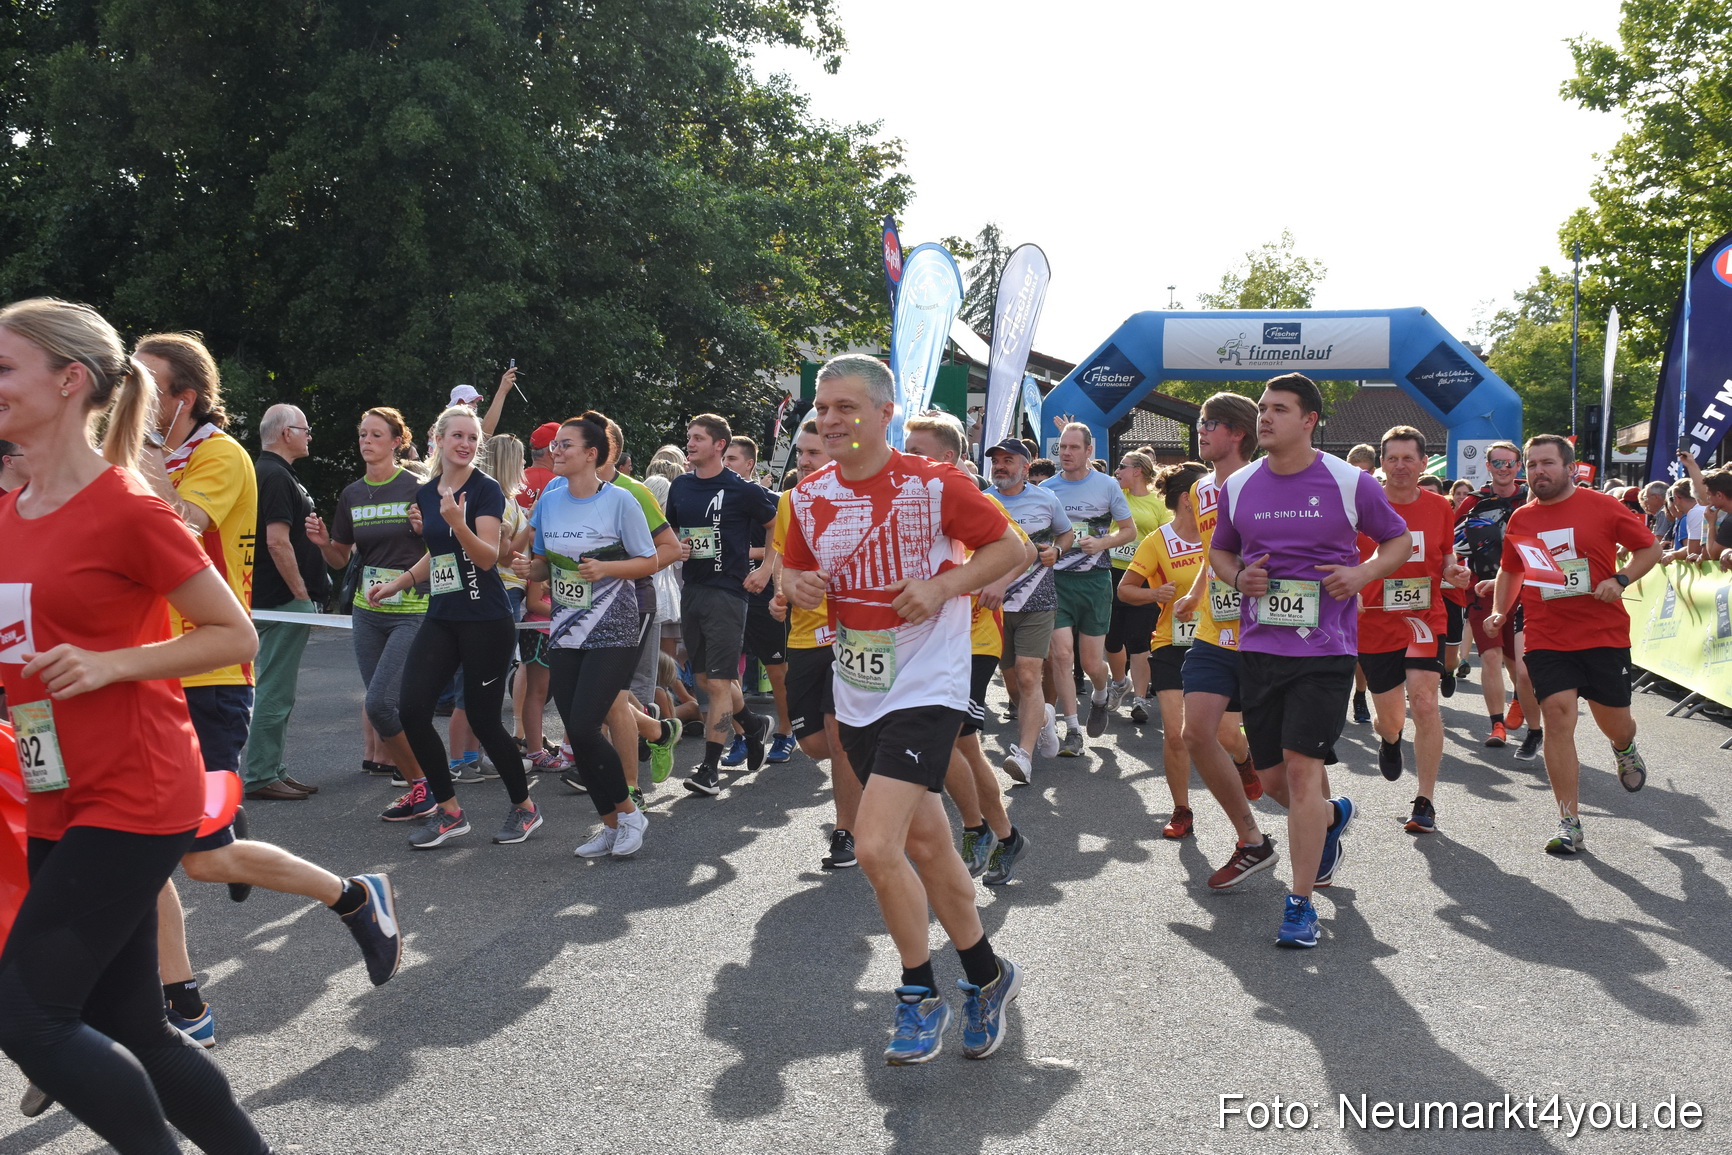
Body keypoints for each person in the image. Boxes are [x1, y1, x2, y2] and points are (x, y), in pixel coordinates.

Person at [0, 297, 283, 1152]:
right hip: (57, 784)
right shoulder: (13, 511)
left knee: (29, 1013)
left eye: (5, 367)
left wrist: (110, 663)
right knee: (132, 1023)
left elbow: (235, 633)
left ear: (69, 380)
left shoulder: (129, 507)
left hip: (135, 787)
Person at [782, 354, 1025, 1065]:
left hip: (928, 685)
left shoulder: (932, 483)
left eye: (846, 408)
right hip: (858, 689)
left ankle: (919, 993)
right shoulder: (809, 494)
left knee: (873, 844)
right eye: (822, 408)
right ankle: (987, 975)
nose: (830, 420)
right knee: (927, 845)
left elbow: (1010, 547)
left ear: (884, 414)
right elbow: (794, 568)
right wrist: (796, 585)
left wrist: (944, 586)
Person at [1210, 373, 1411, 949]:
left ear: (1308, 420)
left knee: (1301, 773)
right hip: (1259, 649)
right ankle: (1331, 815)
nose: (1265, 417)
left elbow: (1397, 540)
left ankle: (1299, 906)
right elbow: (1221, 550)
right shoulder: (1239, 485)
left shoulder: (1348, 481)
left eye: (1279, 409)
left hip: (1325, 651)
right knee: (1273, 777)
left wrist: (1362, 573)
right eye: (1262, 408)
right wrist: (1237, 577)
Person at [369, 405, 542, 848]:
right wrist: (399, 583)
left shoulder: (485, 490)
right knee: (411, 709)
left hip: (486, 619)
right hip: (443, 617)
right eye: (457, 436)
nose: (465, 444)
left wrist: (457, 523)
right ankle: (449, 811)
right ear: (440, 440)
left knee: (484, 720)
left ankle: (525, 807)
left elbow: (486, 557)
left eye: (472, 438)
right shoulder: (428, 493)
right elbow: (439, 554)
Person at [1482, 435, 1661, 854]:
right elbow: (1511, 570)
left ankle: (1624, 747)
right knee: (1557, 717)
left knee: (1615, 722)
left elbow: (1650, 548)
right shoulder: (1523, 518)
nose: (1538, 471)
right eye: (1532, 465)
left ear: (1569, 468)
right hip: (1547, 634)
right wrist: (1500, 610)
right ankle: (1569, 822)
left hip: (1602, 634)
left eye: (1547, 463)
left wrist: (1620, 579)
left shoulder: (1602, 506)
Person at [513, 415, 659, 856]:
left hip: (614, 628)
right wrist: (530, 568)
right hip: (564, 629)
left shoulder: (621, 501)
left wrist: (607, 568)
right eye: (554, 445)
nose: (555, 451)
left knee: (583, 727)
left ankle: (630, 813)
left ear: (592, 454)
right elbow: (543, 564)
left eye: (565, 445)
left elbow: (650, 560)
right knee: (579, 735)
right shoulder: (550, 501)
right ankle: (611, 826)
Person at [903, 414, 1033, 884]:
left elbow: (1024, 549)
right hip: (926, 640)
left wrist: (998, 580)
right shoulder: (903, 501)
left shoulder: (968, 495)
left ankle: (977, 829)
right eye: (904, 449)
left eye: (916, 451)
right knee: (965, 747)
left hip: (974, 639)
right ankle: (1003, 834)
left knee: (951, 734)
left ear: (947, 457)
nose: (904, 458)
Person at [307, 407, 431, 817]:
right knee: (384, 706)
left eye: (376, 435)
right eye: (363, 434)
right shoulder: (352, 494)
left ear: (397, 441)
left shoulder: (417, 487)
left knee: (380, 703)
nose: (366, 441)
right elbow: (341, 558)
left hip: (412, 608)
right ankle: (421, 786)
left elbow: (442, 547)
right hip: (367, 610)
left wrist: (423, 530)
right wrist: (324, 544)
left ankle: (424, 784)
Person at [1169, 393, 1270, 889]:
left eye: (1210, 423)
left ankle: (1326, 817)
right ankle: (1252, 840)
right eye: (1200, 422)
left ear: (1237, 432)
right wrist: (1195, 591)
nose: (1201, 430)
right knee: (1195, 733)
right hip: (1214, 630)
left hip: (1265, 631)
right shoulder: (1201, 488)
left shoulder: (1266, 481)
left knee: (1284, 758)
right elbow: (1216, 552)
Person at [1356, 427, 1473, 834]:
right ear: (1382, 464)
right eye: (1393, 458)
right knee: (1390, 719)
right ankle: (1390, 740)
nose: (1400, 466)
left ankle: (1425, 800)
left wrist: (1454, 572)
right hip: (1374, 622)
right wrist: (1351, 590)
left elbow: (1445, 556)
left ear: (1424, 463)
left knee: (1424, 703)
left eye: (1409, 458)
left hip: (1424, 618)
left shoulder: (1439, 506)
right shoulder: (1363, 505)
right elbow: (1343, 555)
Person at [668, 413, 779, 797]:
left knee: (717, 683)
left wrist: (765, 569)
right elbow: (672, 532)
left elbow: (776, 524)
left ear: (719, 445)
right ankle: (753, 724)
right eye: (689, 436)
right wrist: (678, 547)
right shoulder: (680, 485)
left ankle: (709, 769)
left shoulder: (741, 489)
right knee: (703, 680)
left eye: (698, 438)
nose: (690, 443)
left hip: (729, 592)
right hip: (693, 590)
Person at [769, 419, 862, 870]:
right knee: (814, 743)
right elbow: (784, 562)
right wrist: (781, 593)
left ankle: (847, 831)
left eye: (814, 453)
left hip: (855, 633)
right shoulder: (790, 500)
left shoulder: (861, 497)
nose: (804, 462)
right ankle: (875, 766)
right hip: (805, 635)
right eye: (801, 453)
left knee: (838, 733)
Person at [245, 403, 332, 800]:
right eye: (305, 429)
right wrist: (301, 594)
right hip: (282, 600)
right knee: (275, 690)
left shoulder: (272, 473)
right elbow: (277, 541)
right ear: (285, 433)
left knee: (278, 689)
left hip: (276, 599)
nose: (309, 435)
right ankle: (262, 774)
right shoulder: (275, 476)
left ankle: (273, 768)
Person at [1118, 461, 1209, 838]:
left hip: (1221, 643)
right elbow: (1125, 589)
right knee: (1175, 733)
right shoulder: (1158, 540)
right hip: (1173, 642)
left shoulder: (1224, 534)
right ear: (1188, 499)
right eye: (1206, 491)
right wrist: (1155, 593)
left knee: (1225, 735)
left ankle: (1241, 760)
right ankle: (1181, 809)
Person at [1043, 422, 1135, 753]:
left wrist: (1102, 542)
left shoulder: (1107, 485)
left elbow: (1129, 530)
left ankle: (1101, 693)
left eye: (1074, 447)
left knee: (1092, 663)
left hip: (1095, 581)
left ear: (1088, 451)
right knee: (1061, 655)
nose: (1066, 453)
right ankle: (1072, 730)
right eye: (1062, 447)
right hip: (1057, 581)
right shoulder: (1048, 488)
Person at [985, 437, 1071, 783]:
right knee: (1012, 685)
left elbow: (1066, 534)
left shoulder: (1046, 499)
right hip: (996, 604)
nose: (1000, 466)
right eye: (997, 461)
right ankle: (1044, 718)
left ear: (1025, 467)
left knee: (1028, 674)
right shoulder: (984, 501)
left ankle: (1024, 755)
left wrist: (1058, 552)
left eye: (1008, 460)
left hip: (1038, 600)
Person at [1456, 440, 1541, 755]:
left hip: (1525, 588)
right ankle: (1497, 724)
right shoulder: (1473, 502)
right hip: (1481, 588)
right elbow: (1452, 542)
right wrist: (1455, 570)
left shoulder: (1531, 498)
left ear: (1518, 466)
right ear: (1487, 466)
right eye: (1497, 463)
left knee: (1517, 661)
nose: (1503, 468)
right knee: (1490, 655)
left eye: (1509, 463)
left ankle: (1520, 699)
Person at [724, 435, 797, 763]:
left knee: (777, 670)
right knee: (726, 673)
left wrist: (754, 558)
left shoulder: (772, 500)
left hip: (764, 597)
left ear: (750, 464)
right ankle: (742, 735)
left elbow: (785, 545)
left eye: (732, 459)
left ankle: (786, 731)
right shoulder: (717, 498)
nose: (726, 465)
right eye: (724, 459)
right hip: (726, 595)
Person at [1105, 448, 1171, 723]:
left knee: (1139, 640)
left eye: (1123, 466)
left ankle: (1140, 699)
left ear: (1138, 471)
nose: (1118, 470)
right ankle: (1120, 682)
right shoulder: (1116, 495)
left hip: (1144, 577)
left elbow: (1166, 536)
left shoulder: (1158, 501)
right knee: (1111, 640)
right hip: (1113, 573)